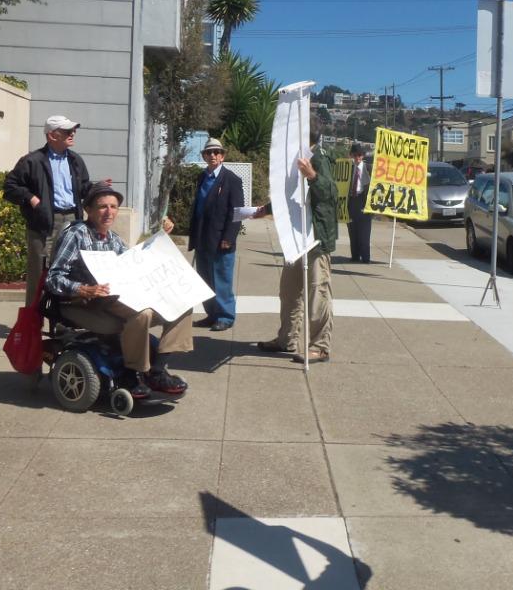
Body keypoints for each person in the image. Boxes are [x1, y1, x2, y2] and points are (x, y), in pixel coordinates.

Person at [46, 183, 191, 399]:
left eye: (113, 207)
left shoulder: (113, 239)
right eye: (102, 206)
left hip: (114, 297)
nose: (109, 212)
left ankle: (157, 371)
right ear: (89, 210)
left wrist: (159, 240)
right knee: (143, 314)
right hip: (82, 301)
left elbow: (135, 263)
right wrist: (84, 289)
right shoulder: (76, 234)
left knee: (182, 307)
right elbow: (53, 278)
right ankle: (131, 373)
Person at [256, 117, 338, 364]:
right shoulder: (296, 159)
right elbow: (292, 194)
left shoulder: (320, 158)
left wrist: (312, 175)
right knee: (289, 292)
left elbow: (330, 193)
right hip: (296, 237)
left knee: (317, 293)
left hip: (315, 238)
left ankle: (320, 346)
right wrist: (269, 208)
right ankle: (287, 339)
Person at [3, 115, 102, 306]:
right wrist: (31, 199)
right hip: (44, 223)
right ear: (51, 136)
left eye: (73, 130)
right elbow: (10, 187)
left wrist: (98, 190)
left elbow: (83, 188)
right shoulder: (32, 161)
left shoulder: (75, 160)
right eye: (66, 131)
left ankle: (63, 320)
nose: (72, 134)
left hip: (73, 220)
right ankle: (33, 321)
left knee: (71, 269)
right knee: (39, 272)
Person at [187, 138, 244, 332]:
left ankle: (226, 316)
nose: (213, 155)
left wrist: (229, 237)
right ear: (203, 156)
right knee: (205, 280)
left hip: (221, 240)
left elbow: (236, 213)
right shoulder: (202, 177)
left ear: (223, 156)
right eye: (208, 152)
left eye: (217, 152)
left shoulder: (232, 180)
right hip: (202, 238)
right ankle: (212, 314)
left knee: (221, 280)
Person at [346, 143, 372, 263]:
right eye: (355, 155)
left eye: (360, 155)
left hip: (364, 201)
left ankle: (366, 257)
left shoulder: (369, 168)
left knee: (364, 233)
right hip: (351, 201)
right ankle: (355, 256)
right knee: (353, 231)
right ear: (351, 155)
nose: (357, 158)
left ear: (362, 156)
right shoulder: (347, 168)